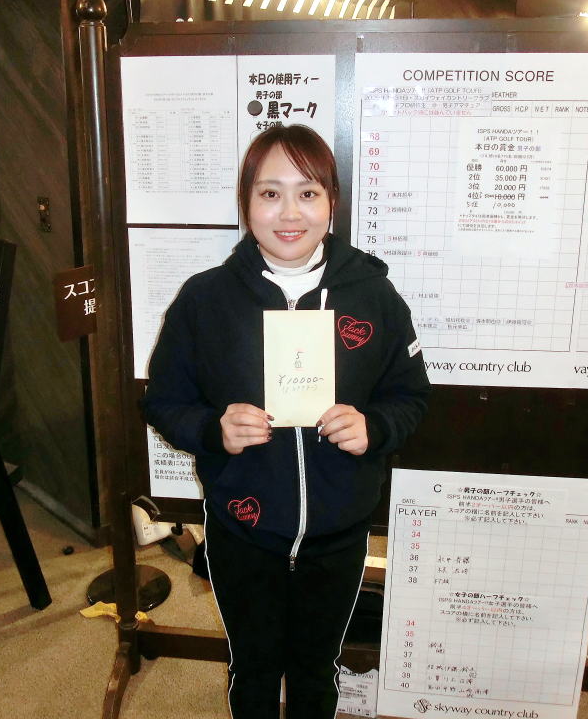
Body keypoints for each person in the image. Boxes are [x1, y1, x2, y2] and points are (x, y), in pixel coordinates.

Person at [142, 124, 429, 719]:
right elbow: (164, 400)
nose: (290, 213)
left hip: (340, 528)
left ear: (332, 202)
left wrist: (374, 427)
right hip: (241, 528)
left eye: (308, 193)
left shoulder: (375, 297)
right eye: (270, 193)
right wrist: (213, 429)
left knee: (317, 669)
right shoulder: (205, 300)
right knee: (252, 666)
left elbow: (410, 395)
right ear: (246, 203)